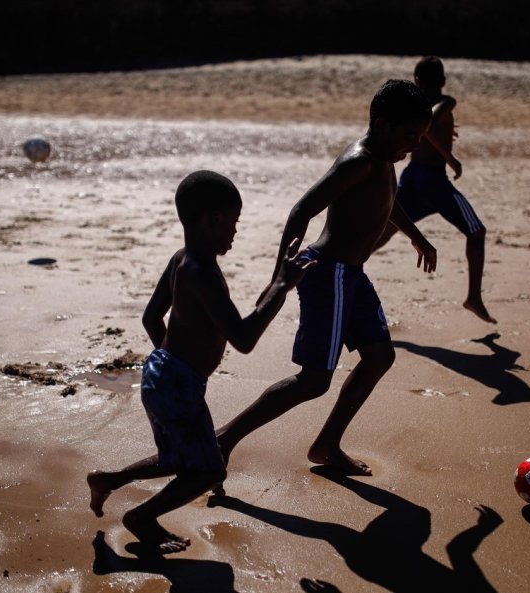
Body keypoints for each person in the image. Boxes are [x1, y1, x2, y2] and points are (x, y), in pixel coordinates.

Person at [212, 79, 438, 479]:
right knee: (314, 380)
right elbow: (302, 210)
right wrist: (281, 273)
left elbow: (389, 201)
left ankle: (326, 445)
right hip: (327, 273)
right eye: (410, 136)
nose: (415, 146)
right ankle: (223, 439)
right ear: (383, 125)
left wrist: (417, 237)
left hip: (352, 274)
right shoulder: (360, 160)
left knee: (380, 356)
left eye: (420, 137)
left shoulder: (386, 160)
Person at [87, 170, 314, 554]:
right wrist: (281, 285)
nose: (235, 232)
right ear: (211, 219)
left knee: (180, 458)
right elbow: (243, 339)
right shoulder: (202, 273)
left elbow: (150, 318)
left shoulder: (182, 260)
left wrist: (172, 363)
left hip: (164, 373)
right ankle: (142, 518)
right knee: (209, 470)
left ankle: (108, 480)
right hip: (175, 380)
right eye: (233, 222)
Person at [373, 57, 496, 324]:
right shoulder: (446, 102)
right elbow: (430, 121)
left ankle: (349, 259)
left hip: (413, 177)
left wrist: (441, 134)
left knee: (387, 229)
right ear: (443, 82)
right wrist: (451, 159)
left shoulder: (414, 109)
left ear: (417, 80)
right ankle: (473, 297)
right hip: (433, 180)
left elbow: (425, 126)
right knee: (477, 231)